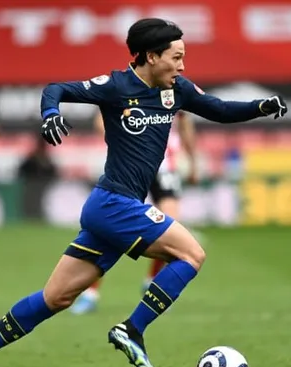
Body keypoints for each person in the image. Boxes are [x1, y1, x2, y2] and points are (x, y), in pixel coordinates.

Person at [0, 18, 287, 367]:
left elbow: (220, 109)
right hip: (113, 204)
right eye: (176, 57)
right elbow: (55, 88)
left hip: (113, 209)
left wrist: (261, 106)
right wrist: (50, 114)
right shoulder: (116, 86)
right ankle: (132, 329)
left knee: (56, 297)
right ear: (151, 56)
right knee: (192, 254)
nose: (182, 65)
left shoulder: (176, 89)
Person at [70, 110, 197, 314]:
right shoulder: (128, 92)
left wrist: (192, 161)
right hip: (131, 167)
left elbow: (185, 123)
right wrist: (123, 139)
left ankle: (152, 281)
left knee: (171, 224)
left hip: (166, 168)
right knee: (113, 226)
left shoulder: (174, 92)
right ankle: (90, 293)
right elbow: (101, 119)